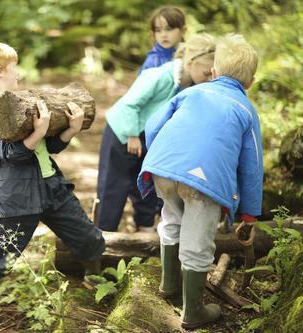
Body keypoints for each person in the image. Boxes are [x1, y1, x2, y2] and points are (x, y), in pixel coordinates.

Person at [0, 39, 105, 325]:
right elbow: (9, 154)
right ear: (0, 70)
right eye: (15, 68)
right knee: (2, 252)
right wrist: (37, 132)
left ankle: (96, 277)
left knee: (88, 236)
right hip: (16, 197)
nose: (19, 74)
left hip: (51, 186)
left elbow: (49, 146)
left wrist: (70, 130)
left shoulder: (22, 102)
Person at [138, 34, 262, 329]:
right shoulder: (246, 110)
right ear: (250, 82)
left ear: (214, 72)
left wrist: (159, 160)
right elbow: (252, 167)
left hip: (164, 168)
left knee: (171, 218)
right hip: (204, 181)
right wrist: (249, 215)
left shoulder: (190, 93)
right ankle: (192, 312)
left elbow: (154, 124)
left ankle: (169, 287)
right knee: (197, 242)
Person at [96, 33, 216, 233]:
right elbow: (130, 104)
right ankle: (104, 235)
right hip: (124, 133)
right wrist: (132, 135)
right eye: (206, 74)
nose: (209, 79)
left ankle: (144, 233)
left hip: (146, 139)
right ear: (190, 63)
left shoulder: (190, 86)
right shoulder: (160, 75)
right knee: (114, 187)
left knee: (145, 186)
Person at [138, 5, 187, 75]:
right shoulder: (153, 61)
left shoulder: (190, 55)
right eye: (158, 30)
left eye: (169, 29)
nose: (163, 35)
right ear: (153, 33)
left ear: (183, 30)